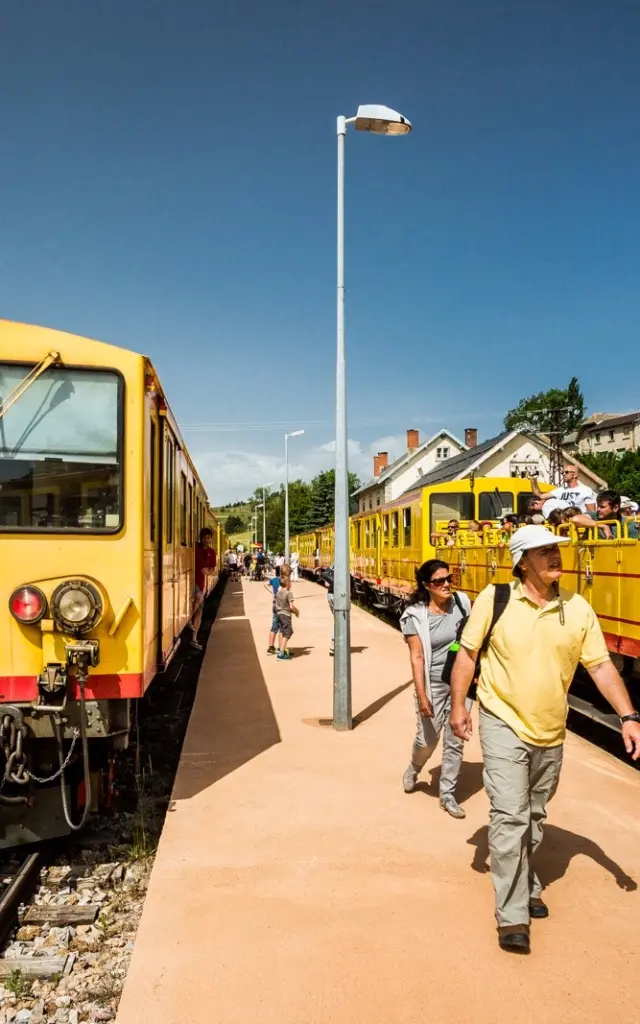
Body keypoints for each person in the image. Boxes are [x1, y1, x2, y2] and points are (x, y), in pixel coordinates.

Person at [450, 525, 640, 955]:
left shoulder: (577, 608)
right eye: (544, 551)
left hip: (552, 726)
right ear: (522, 562)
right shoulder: (495, 599)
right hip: (502, 719)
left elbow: (602, 668)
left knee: (535, 814)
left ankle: (527, 877)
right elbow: (467, 655)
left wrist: (628, 716)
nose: (555, 556)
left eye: (556, 549)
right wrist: (459, 706)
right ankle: (512, 913)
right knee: (511, 815)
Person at [400, 560, 472, 819]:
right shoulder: (415, 616)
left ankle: (447, 794)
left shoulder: (463, 603)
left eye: (448, 579)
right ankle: (414, 767)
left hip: (461, 683)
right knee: (427, 740)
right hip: (432, 684)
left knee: (456, 740)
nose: (446, 584)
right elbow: (417, 657)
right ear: (426, 585)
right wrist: (421, 695)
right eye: (439, 581)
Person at [571, 489, 638, 540]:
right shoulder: (594, 516)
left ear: (615, 508)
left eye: (602, 507)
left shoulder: (628, 523)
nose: (598, 509)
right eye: (598, 506)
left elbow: (634, 548)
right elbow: (576, 519)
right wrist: (603, 527)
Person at [189, 528, 217, 651]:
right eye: (205, 538)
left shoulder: (212, 552)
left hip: (202, 581)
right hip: (191, 580)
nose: (207, 540)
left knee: (199, 611)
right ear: (201, 538)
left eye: (208, 538)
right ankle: (189, 620)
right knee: (199, 598)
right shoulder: (194, 547)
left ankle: (194, 639)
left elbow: (212, 568)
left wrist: (208, 571)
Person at [274, 573, 299, 660]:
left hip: (279, 614)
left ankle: (282, 649)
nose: (291, 583)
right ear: (288, 584)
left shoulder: (278, 593)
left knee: (283, 631)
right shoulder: (289, 593)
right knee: (287, 633)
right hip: (286, 615)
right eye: (290, 582)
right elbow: (291, 607)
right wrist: (297, 612)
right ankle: (281, 653)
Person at [265, 573, 281, 654]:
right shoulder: (283, 580)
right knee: (282, 628)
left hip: (274, 604)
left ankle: (270, 647)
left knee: (274, 626)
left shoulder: (274, 579)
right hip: (281, 605)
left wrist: (272, 593)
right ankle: (281, 649)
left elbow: (265, 584)